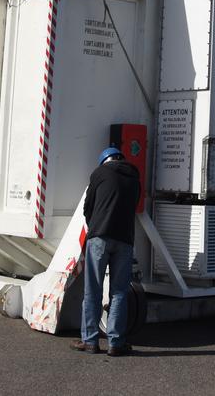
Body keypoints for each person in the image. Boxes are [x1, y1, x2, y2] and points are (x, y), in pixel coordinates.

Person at [73, 146, 141, 356]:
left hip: (100, 238)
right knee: (119, 291)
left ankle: (91, 341)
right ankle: (116, 343)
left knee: (93, 290)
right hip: (125, 240)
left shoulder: (100, 173)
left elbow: (88, 207)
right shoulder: (134, 176)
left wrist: (96, 223)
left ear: (105, 161)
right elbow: (135, 206)